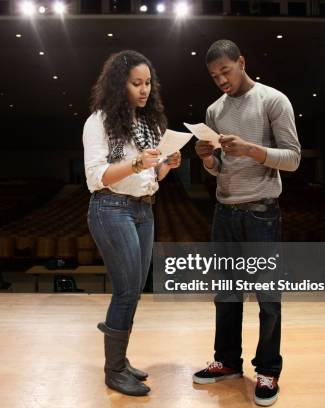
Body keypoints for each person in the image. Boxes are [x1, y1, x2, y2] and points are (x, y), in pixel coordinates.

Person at [193, 39, 301, 407]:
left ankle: (268, 370)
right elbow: (220, 168)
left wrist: (251, 149)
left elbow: (293, 159)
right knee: (226, 294)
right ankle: (227, 362)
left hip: (261, 213)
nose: (221, 79)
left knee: (268, 299)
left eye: (225, 70)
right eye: (213, 76)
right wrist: (208, 159)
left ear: (241, 61)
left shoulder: (273, 100)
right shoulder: (214, 110)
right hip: (225, 212)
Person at [83, 50, 181, 396]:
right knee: (126, 290)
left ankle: (120, 359)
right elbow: (97, 177)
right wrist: (139, 164)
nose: (144, 89)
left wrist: (166, 164)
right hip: (110, 207)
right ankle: (113, 370)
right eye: (136, 83)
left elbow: (150, 176)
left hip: (143, 208)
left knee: (134, 290)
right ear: (118, 84)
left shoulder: (149, 124)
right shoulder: (99, 121)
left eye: (148, 83)